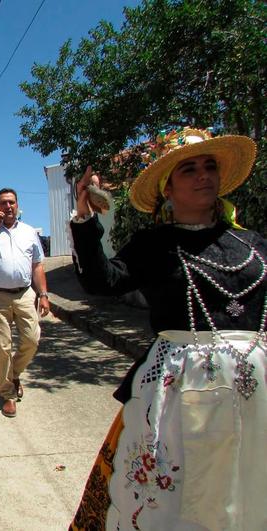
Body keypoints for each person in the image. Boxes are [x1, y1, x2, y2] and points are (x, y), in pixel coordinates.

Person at [68, 128, 265, 530]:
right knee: (180, 492)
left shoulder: (253, 243)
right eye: (188, 169)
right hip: (181, 389)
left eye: (209, 166)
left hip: (256, 384)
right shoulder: (154, 245)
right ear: (167, 189)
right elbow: (102, 281)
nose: (202, 174)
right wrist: (86, 220)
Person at [0, 188, 50, 418]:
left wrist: (43, 294)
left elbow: (37, 265)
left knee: (32, 339)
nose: (8, 207)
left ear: (18, 205)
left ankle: (13, 373)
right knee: (2, 348)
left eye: (12, 202)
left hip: (24, 294)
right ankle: (8, 394)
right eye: (3, 203)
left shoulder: (28, 232)